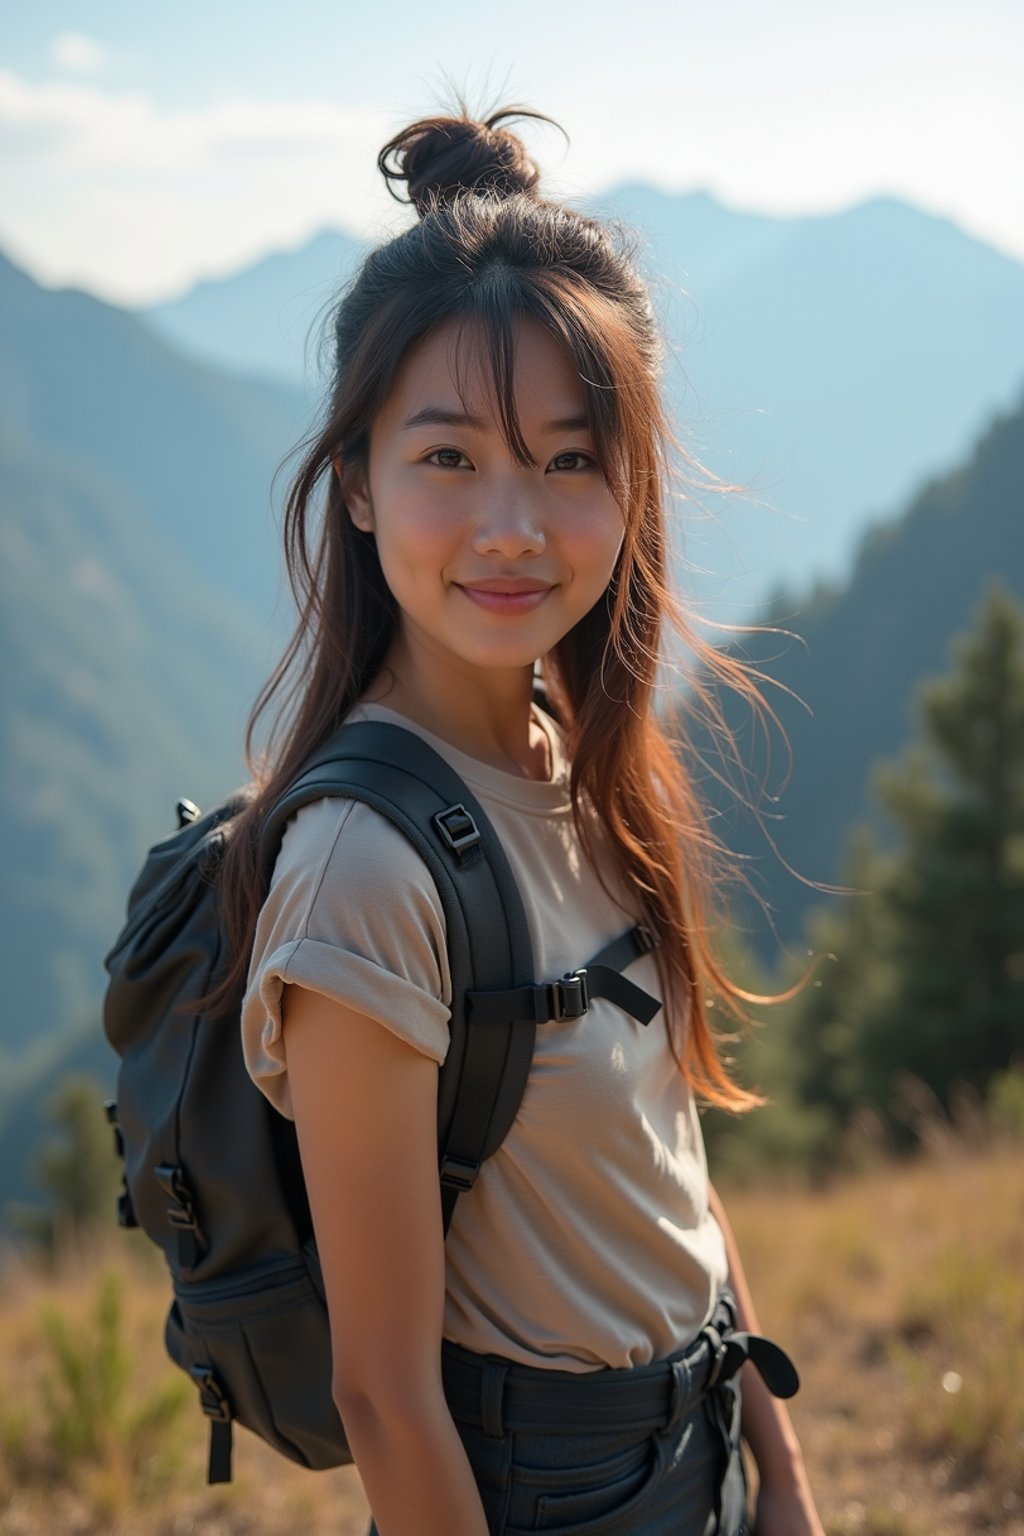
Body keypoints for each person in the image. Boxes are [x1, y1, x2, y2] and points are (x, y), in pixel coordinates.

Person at [223, 104, 826, 1535]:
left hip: (701, 1458)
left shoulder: (580, 760)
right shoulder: (364, 870)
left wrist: (781, 1477)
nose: (515, 524)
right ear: (356, 484)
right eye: (447, 459)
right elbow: (381, 1390)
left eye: (569, 460)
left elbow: (667, 1168)